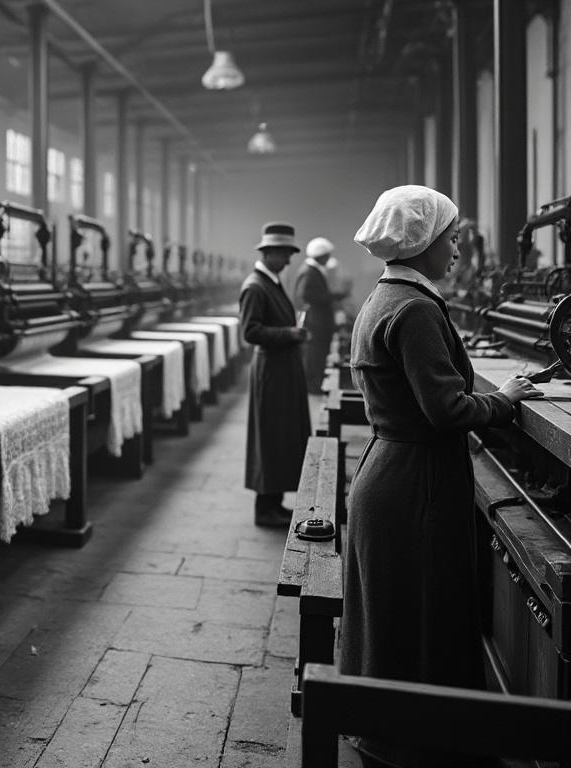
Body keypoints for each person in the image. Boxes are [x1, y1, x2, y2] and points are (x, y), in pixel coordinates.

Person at [340, 186, 542, 768]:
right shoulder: (417, 310)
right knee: (419, 610)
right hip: (416, 484)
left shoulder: (385, 297)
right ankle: (412, 742)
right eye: (451, 239)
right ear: (423, 242)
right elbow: (447, 410)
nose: (457, 250)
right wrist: (503, 399)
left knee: (396, 609)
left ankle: (386, 727)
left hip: (392, 471)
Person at [239, 222, 312, 527]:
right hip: (271, 371)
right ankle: (265, 509)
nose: (288, 259)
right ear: (269, 252)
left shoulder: (271, 282)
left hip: (281, 369)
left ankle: (275, 503)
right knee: (270, 436)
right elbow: (250, 332)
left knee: (281, 436)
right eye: (284, 253)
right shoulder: (255, 286)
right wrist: (290, 332)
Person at [294, 236, 336, 393]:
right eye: (327, 255)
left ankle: (314, 383)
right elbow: (304, 295)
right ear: (322, 255)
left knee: (317, 354)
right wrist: (328, 297)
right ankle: (313, 385)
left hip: (317, 320)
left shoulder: (311, 270)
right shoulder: (310, 271)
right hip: (315, 321)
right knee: (315, 355)